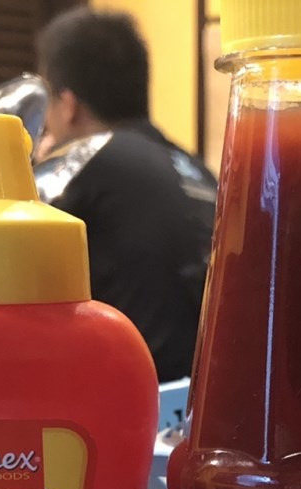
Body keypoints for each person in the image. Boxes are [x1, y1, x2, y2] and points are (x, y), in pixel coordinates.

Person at [35, 9, 217, 383]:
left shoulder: (82, 160)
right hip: (207, 397)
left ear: (67, 105)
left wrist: (36, 166)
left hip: (134, 401)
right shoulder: (199, 170)